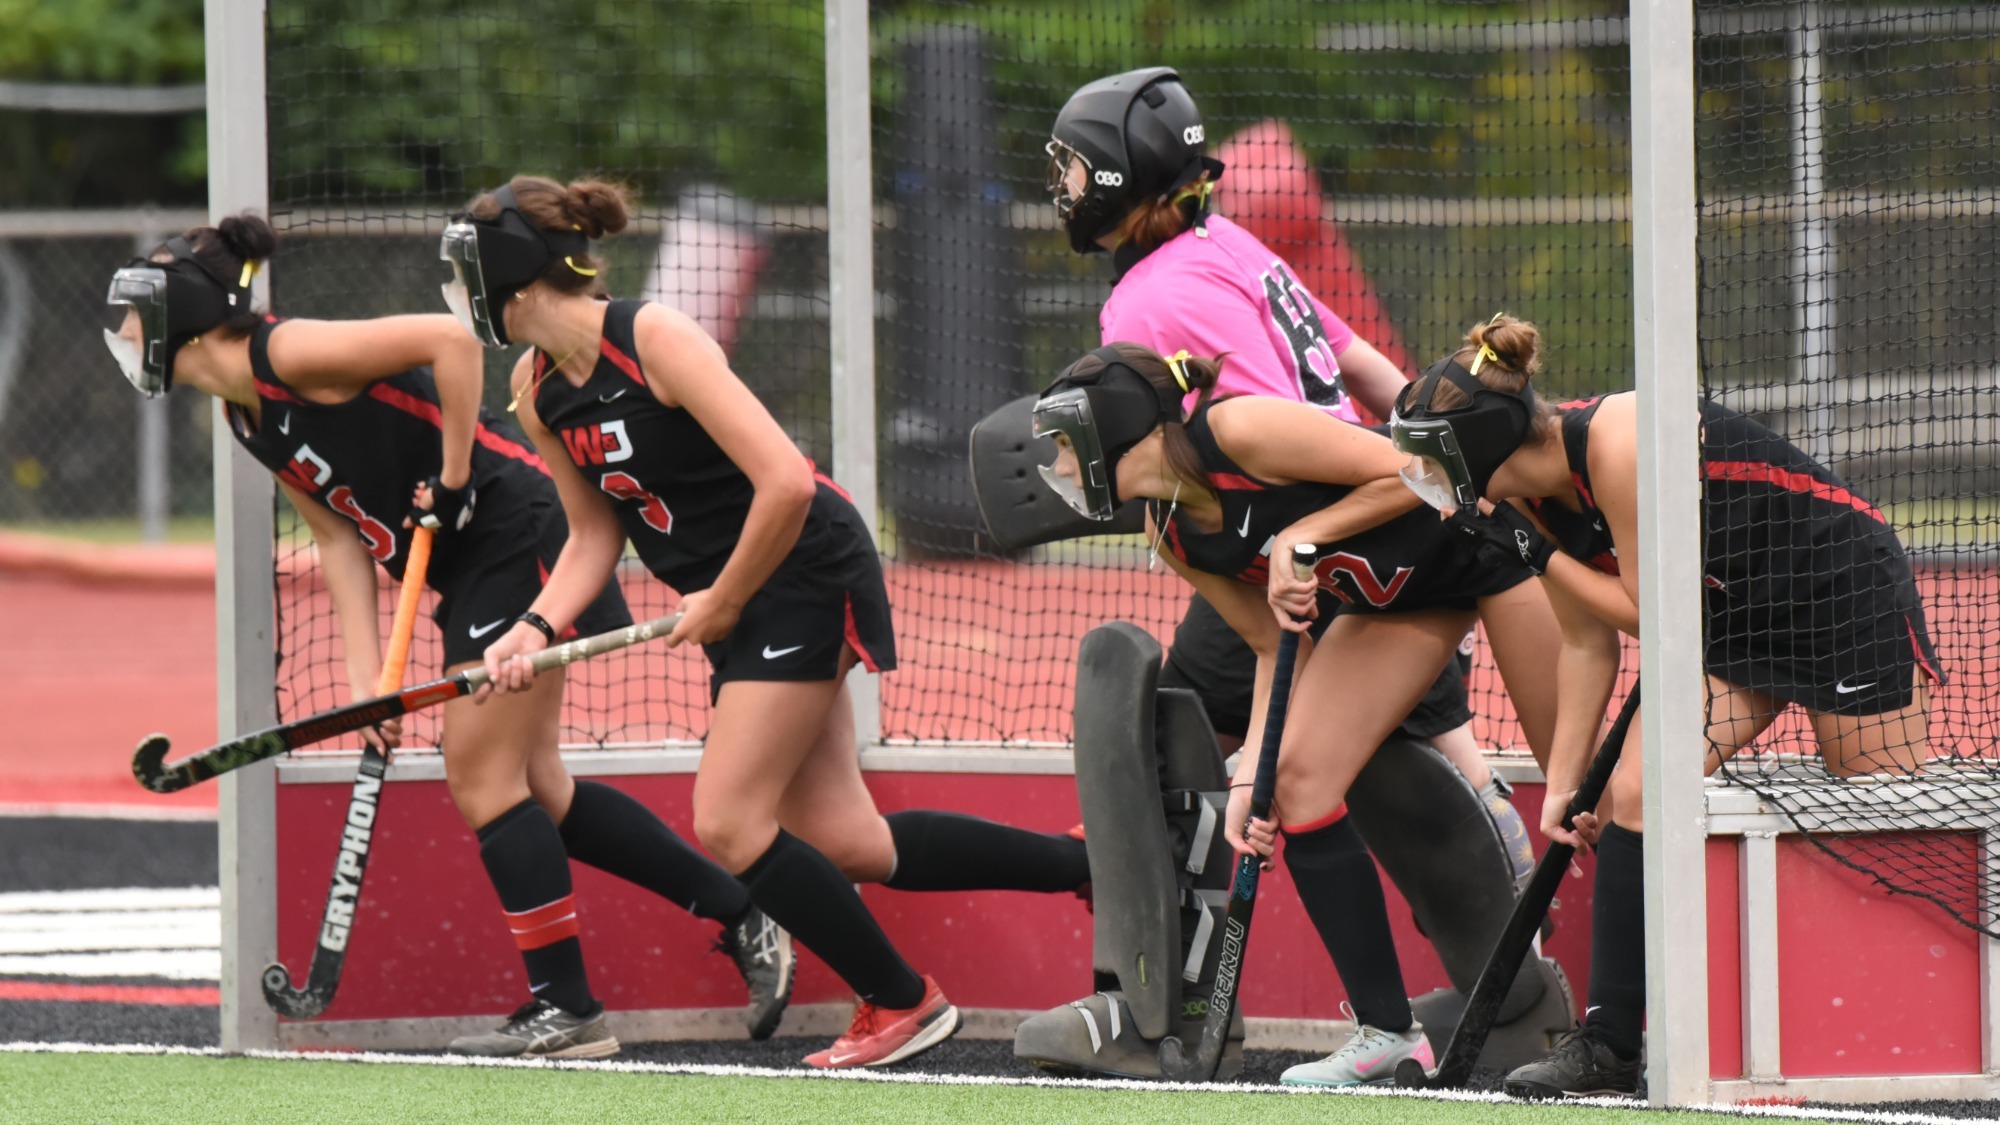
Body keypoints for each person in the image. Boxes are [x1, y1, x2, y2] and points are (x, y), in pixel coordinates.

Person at [101, 216, 793, 1060]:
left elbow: (448, 341)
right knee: (542, 792)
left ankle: (567, 1009)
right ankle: (743, 911)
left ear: (182, 318)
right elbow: (336, 538)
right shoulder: (243, 414)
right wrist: (367, 686)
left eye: (134, 318)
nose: (125, 337)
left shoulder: (287, 356)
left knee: (481, 775)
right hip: (470, 566)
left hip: (517, 528)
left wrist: (456, 476)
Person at [460, 175, 1093, 1069]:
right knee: (847, 841)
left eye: (469, 273)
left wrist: (721, 601)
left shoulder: (652, 338)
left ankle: (903, 1000)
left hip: (801, 565)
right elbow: (594, 534)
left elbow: (786, 481)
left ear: (513, 279)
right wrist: (533, 626)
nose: (465, 295)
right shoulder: (535, 388)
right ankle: (1085, 867)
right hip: (746, 595)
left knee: (726, 817)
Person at [1392, 314, 1942, 1098]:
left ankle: (1904, 1020)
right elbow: (1588, 643)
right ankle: (1611, 1044)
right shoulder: (1533, 505)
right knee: (1636, 790)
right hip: (1733, 616)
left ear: (1478, 450)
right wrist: (1568, 784)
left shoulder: (1617, 443)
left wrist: (1539, 555)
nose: (1428, 483)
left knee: (1884, 808)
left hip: (1836, 584)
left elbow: (1655, 614)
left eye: (1432, 461)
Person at [1032, 341, 1562, 1085]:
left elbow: (1426, 474)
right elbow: (1272, 645)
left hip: (1488, 552)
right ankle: (1387, 1032)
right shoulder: (1170, 529)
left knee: (1576, 789)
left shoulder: (1239, 432)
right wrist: (1252, 772)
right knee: (1298, 780)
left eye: (1062, 445)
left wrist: (1301, 534)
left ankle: (1618, 1029)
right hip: (1402, 605)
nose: (1057, 468)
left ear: (1108, 426)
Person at [1042, 65, 1533, 859]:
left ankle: (1160, 887)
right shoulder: (1224, 239)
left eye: (1071, 165)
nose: (1060, 183)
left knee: (1233, 741)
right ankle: (1482, 833)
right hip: (1341, 514)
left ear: (1113, 177)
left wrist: (1349, 518)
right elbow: (1359, 362)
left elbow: (1275, 433)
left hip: (1302, 534)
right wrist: (1425, 456)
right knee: (1217, 725)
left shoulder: (1147, 299)